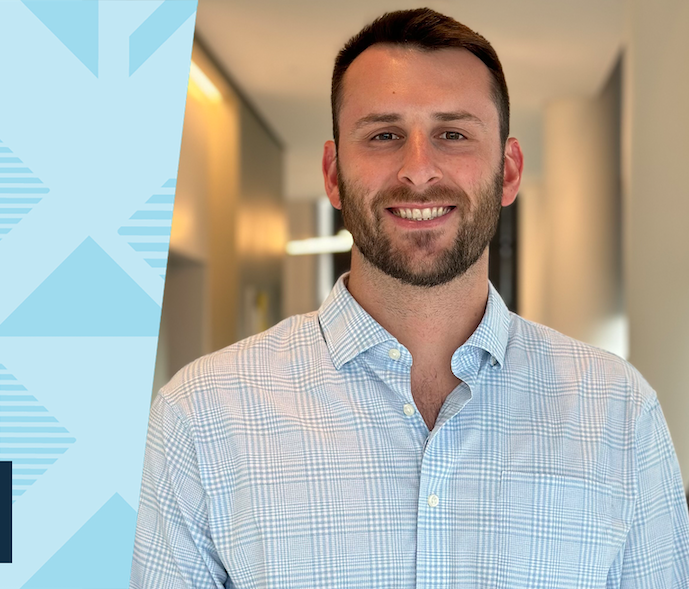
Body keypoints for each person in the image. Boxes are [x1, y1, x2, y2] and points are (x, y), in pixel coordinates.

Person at [131, 8, 689, 588]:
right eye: (383, 135)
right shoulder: (202, 419)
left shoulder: (619, 415)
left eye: (453, 133)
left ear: (509, 170)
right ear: (332, 173)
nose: (418, 170)